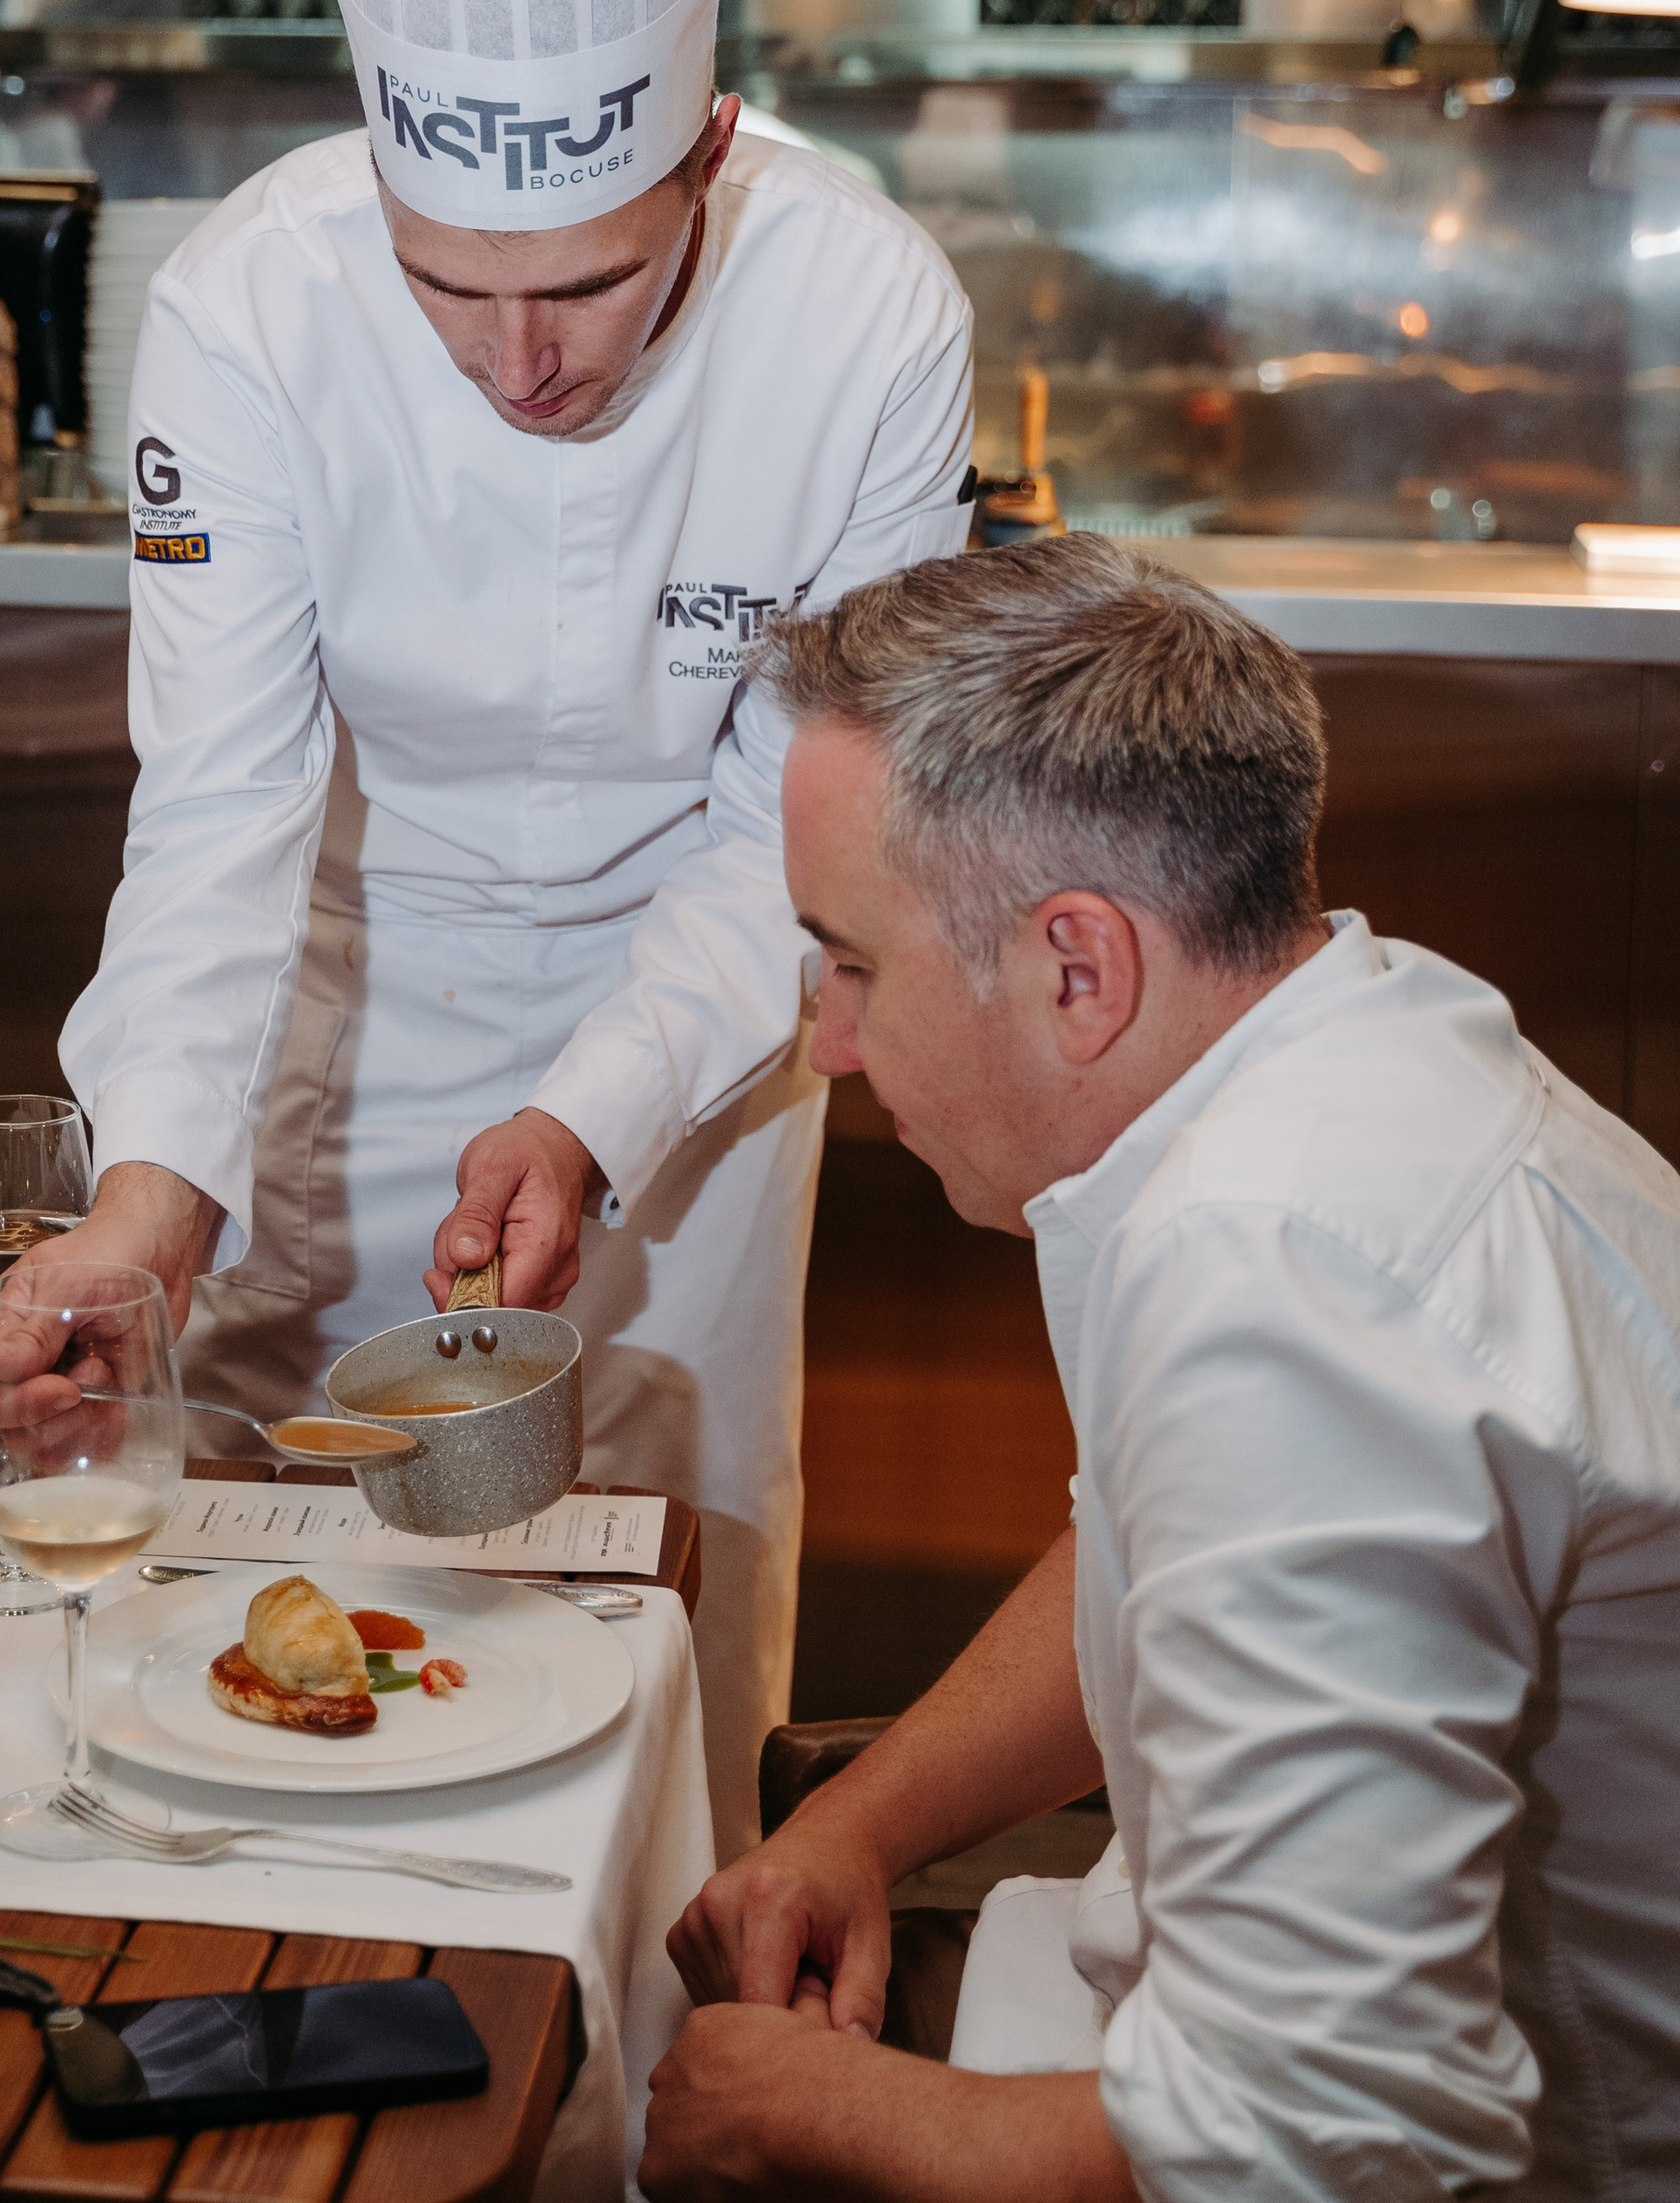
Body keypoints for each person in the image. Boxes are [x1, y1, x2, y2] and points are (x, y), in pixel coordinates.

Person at [0, 0, 974, 1851]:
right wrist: (153, 1192)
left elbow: (789, 828)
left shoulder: (868, 318)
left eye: (593, 287)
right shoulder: (249, 307)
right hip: (326, 1043)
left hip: (696, 1090)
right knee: (256, 1666)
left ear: (708, 153)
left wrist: (594, 1112)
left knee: (649, 1671)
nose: (523, 367)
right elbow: (220, 803)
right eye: (455, 295)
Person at [651, 535, 1680, 2200]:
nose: (829, 1041)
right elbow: (1155, 1546)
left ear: (1079, 968)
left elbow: (1333, 2140)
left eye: (852, 964)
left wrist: (796, 2109)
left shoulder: (1282, 1288)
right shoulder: (1350, 1033)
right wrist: (859, 1824)